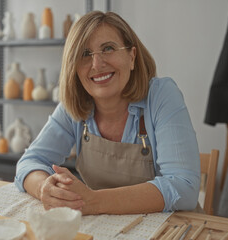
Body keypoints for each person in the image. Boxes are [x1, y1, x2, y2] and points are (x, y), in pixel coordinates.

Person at [14, 11, 200, 215]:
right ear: (74, 68)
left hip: (171, 229)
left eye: (108, 48)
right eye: (85, 54)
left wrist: (94, 201)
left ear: (132, 56)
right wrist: (44, 188)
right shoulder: (75, 105)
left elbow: (184, 187)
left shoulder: (161, 95)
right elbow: (30, 162)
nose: (97, 64)